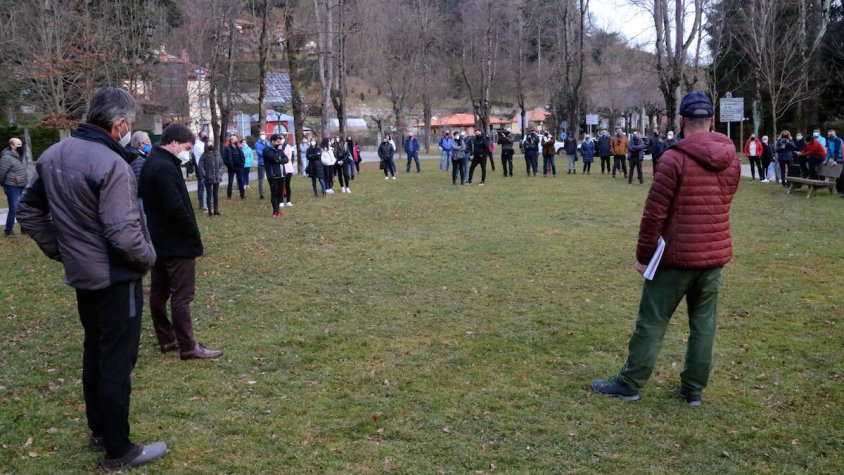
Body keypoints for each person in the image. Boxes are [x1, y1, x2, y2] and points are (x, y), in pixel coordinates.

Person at [16, 86, 166, 470]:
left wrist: (65, 250)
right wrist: (149, 258)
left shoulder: (54, 154)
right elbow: (123, 233)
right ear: (119, 124)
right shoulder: (111, 164)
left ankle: (100, 429)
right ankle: (119, 448)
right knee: (116, 360)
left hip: (85, 275)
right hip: (116, 278)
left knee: (95, 352)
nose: (130, 129)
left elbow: (28, 210)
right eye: (131, 123)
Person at [592, 91, 741, 408]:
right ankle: (693, 390)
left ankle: (630, 383)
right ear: (712, 120)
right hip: (713, 256)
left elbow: (654, 214)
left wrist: (644, 258)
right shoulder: (731, 158)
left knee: (653, 319)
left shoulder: (674, 159)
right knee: (704, 325)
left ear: (681, 121)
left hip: (675, 258)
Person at [138, 123, 223, 363]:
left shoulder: (151, 163)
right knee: (181, 295)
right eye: (186, 148)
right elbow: (175, 208)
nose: (187, 153)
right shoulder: (164, 167)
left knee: (159, 292)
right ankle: (187, 345)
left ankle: (167, 338)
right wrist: (191, 233)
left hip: (159, 240)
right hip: (176, 243)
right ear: (174, 142)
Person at [1, 138, 28, 237]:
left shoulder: (20, 155)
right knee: (14, 208)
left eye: (21, 144)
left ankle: (24, 229)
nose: (20, 146)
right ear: (11, 145)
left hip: (22, 185)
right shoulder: (6, 157)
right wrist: (5, 184)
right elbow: (1, 173)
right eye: (18, 145)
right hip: (12, 187)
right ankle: (8, 231)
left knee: (23, 208)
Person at [263, 134, 288, 217]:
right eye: (278, 142)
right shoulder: (267, 150)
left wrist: (278, 160)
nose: (279, 144)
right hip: (273, 175)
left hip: (281, 175)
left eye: (280, 142)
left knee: (280, 194)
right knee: (274, 193)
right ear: (272, 141)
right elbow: (274, 158)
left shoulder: (279, 150)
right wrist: (279, 156)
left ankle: (278, 210)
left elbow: (286, 159)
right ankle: (275, 212)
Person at [198, 144, 224, 216]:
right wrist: (205, 174)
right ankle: (210, 211)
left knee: (216, 194)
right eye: (209, 143)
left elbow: (221, 165)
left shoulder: (217, 154)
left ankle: (216, 211)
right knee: (209, 195)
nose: (210, 145)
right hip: (208, 178)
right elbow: (200, 166)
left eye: (211, 143)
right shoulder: (204, 155)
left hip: (216, 178)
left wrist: (219, 174)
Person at [222, 134, 245, 199]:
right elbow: (224, 159)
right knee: (230, 182)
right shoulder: (227, 148)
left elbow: (242, 157)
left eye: (236, 139)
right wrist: (229, 165)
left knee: (241, 182)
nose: (236, 140)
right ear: (231, 141)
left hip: (239, 167)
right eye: (235, 139)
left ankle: (242, 195)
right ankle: (229, 196)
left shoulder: (239, 148)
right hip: (231, 168)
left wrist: (242, 164)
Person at [192, 131, 209, 210]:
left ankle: (205, 201)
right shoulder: (198, 145)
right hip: (201, 167)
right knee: (202, 185)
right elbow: (206, 154)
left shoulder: (204, 144)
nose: (206, 136)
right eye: (204, 135)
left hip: (206, 167)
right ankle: (202, 203)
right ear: (200, 137)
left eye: (206, 135)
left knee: (205, 185)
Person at [281, 136, 295, 205]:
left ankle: (288, 201)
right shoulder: (277, 147)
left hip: (288, 168)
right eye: (279, 138)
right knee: (281, 185)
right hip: (280, 168)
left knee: (287, 185)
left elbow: (288, 158)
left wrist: (281, 160)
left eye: (282, 138)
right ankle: (281, 201)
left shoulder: (288, 147)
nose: (281, 140)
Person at [254, 132, 268, 199]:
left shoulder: (268, 143)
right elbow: (260, 153)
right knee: (261, 179)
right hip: (261, 164)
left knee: (271, 178)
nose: (263, 135)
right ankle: (261, 194)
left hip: (269, 163)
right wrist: (267, 154)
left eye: (264, 134)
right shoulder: (257, 144)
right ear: (259, 136)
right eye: (261, 134)